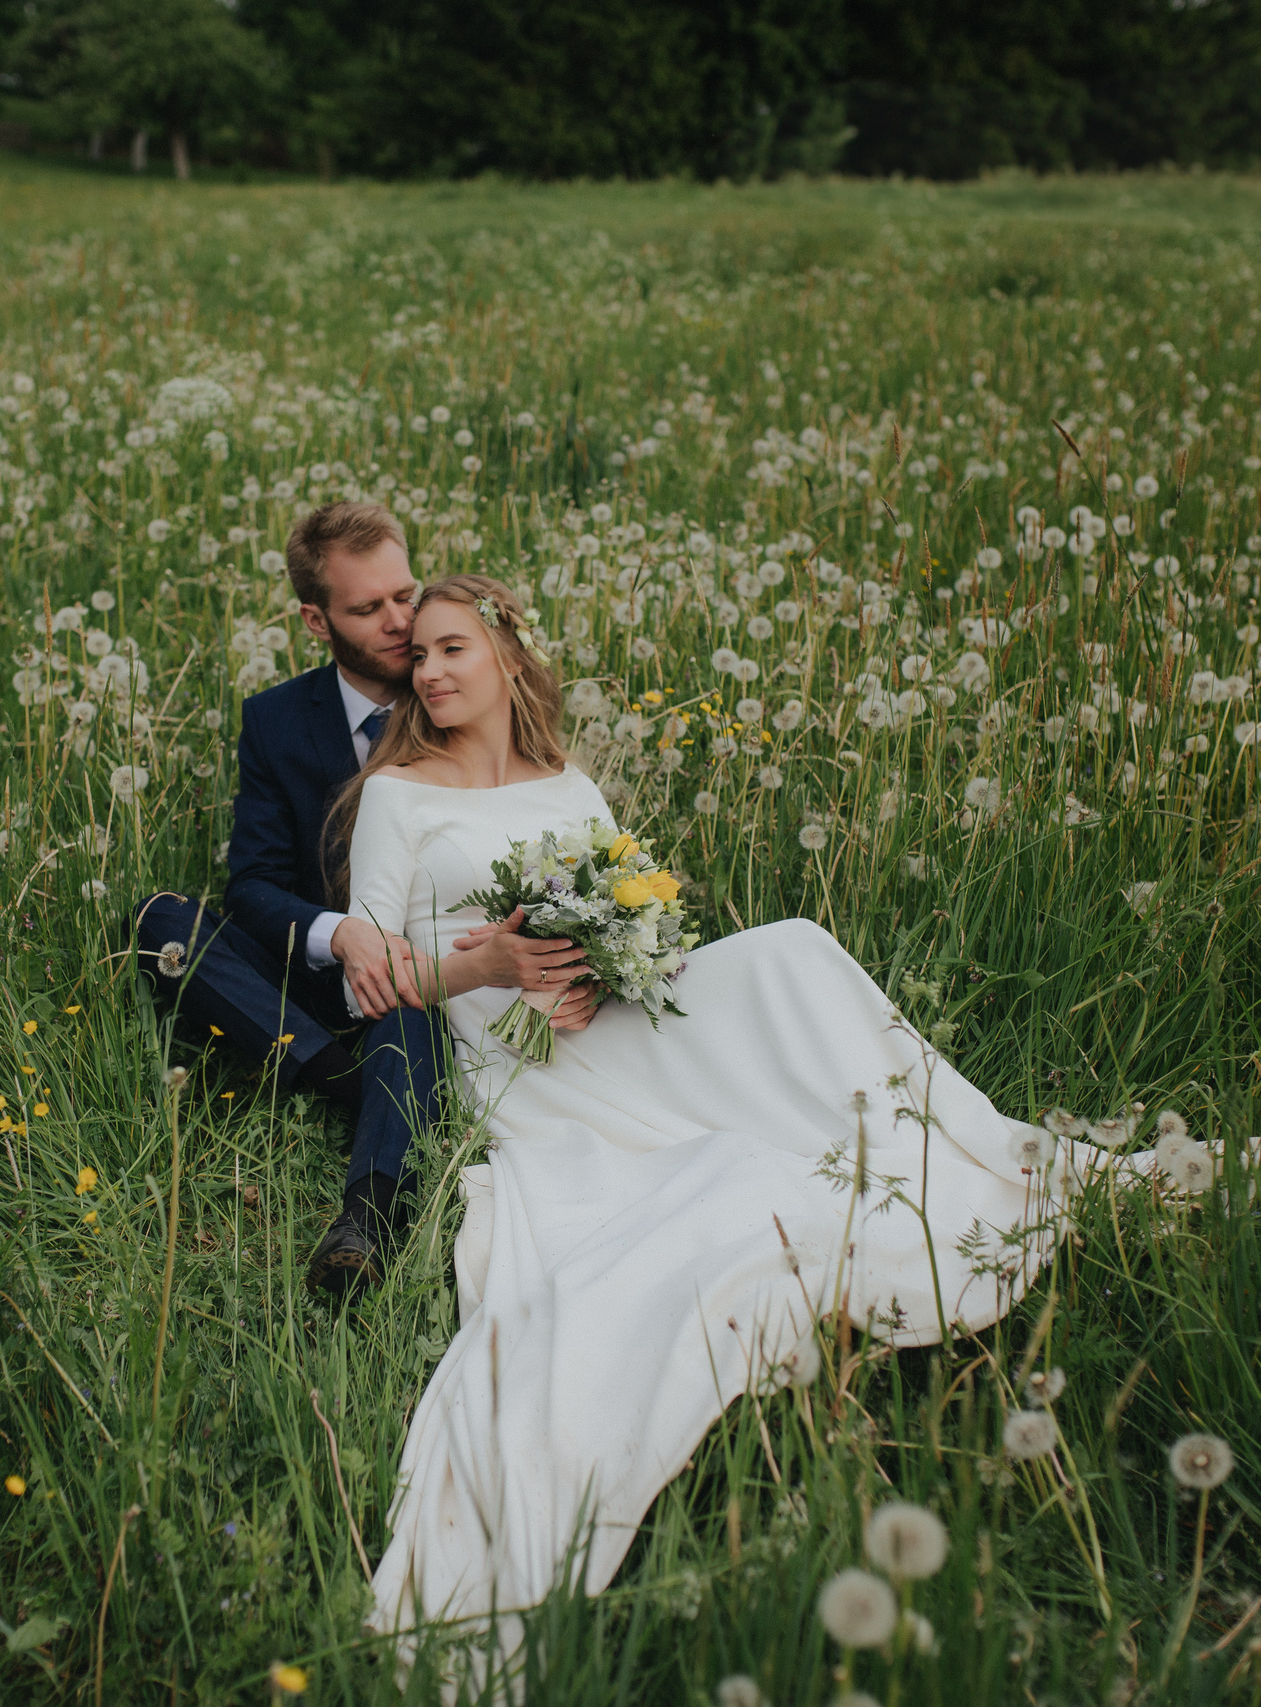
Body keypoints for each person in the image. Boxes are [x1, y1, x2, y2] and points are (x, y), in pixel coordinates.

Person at [328, 572, 1109, 1659]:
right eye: (419, 657)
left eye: (454, 649)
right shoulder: (399, 797)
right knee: (731, 1167)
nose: (432, 671)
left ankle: (941, 1140)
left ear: (509, 659)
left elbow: (632, 904)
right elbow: (372, 978)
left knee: (791, 948)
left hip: (604, 1021)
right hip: (514, 1057)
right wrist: (489, 961)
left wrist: (610, 967)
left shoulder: (571, 785)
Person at [128, 504, 591, 1297]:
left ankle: (368, 1213)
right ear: (317, 619)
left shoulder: (450, 699)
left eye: (404, 596)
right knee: (159, 923)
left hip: (425, 979)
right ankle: (345, 1076)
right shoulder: (276, 720)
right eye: (367, 608)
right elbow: (253, 882)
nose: (398, 621)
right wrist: (341, 935)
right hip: (322, 972)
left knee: (404, 1010)